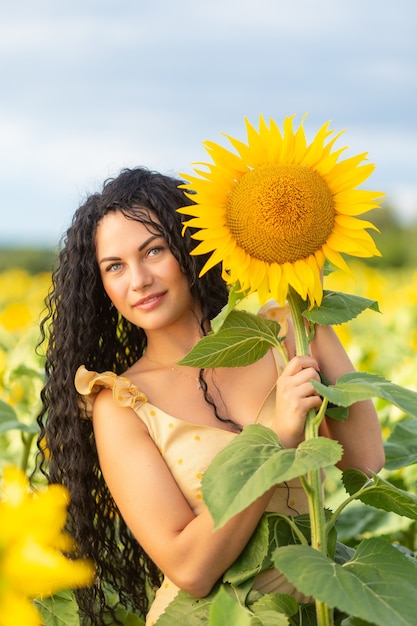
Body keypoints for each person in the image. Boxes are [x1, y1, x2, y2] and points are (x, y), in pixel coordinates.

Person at [37, 167, 385, 625]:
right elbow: (190, 568)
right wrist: (274, 440)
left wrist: (310, 308)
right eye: (115, 266)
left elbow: (363, 462)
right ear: (101, 285)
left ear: (191, 246)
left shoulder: (282, 334)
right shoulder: (121, 403)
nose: (138, 280)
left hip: (321, 607)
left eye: (154, 250)